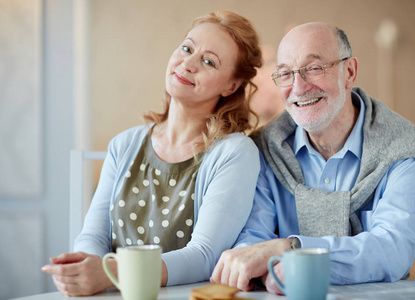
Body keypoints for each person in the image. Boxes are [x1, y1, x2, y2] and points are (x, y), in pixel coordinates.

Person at [210, 22, 415, 294]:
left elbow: (393, 249)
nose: (298, 88)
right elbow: (251, 242)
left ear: (349, 71)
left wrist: (294, 249)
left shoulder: (401, 148)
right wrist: (252, 260)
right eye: (286, 74)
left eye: (314, 68)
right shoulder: (265, 150)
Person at [41, 10, 263, 296]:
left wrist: (110, 273)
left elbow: (205, 255)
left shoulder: (234, 153)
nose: (188, 63)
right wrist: (85, 267)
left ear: (231, 86)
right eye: (187, 48)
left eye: (208, 61)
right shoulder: (124, 144)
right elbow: (93, 235)